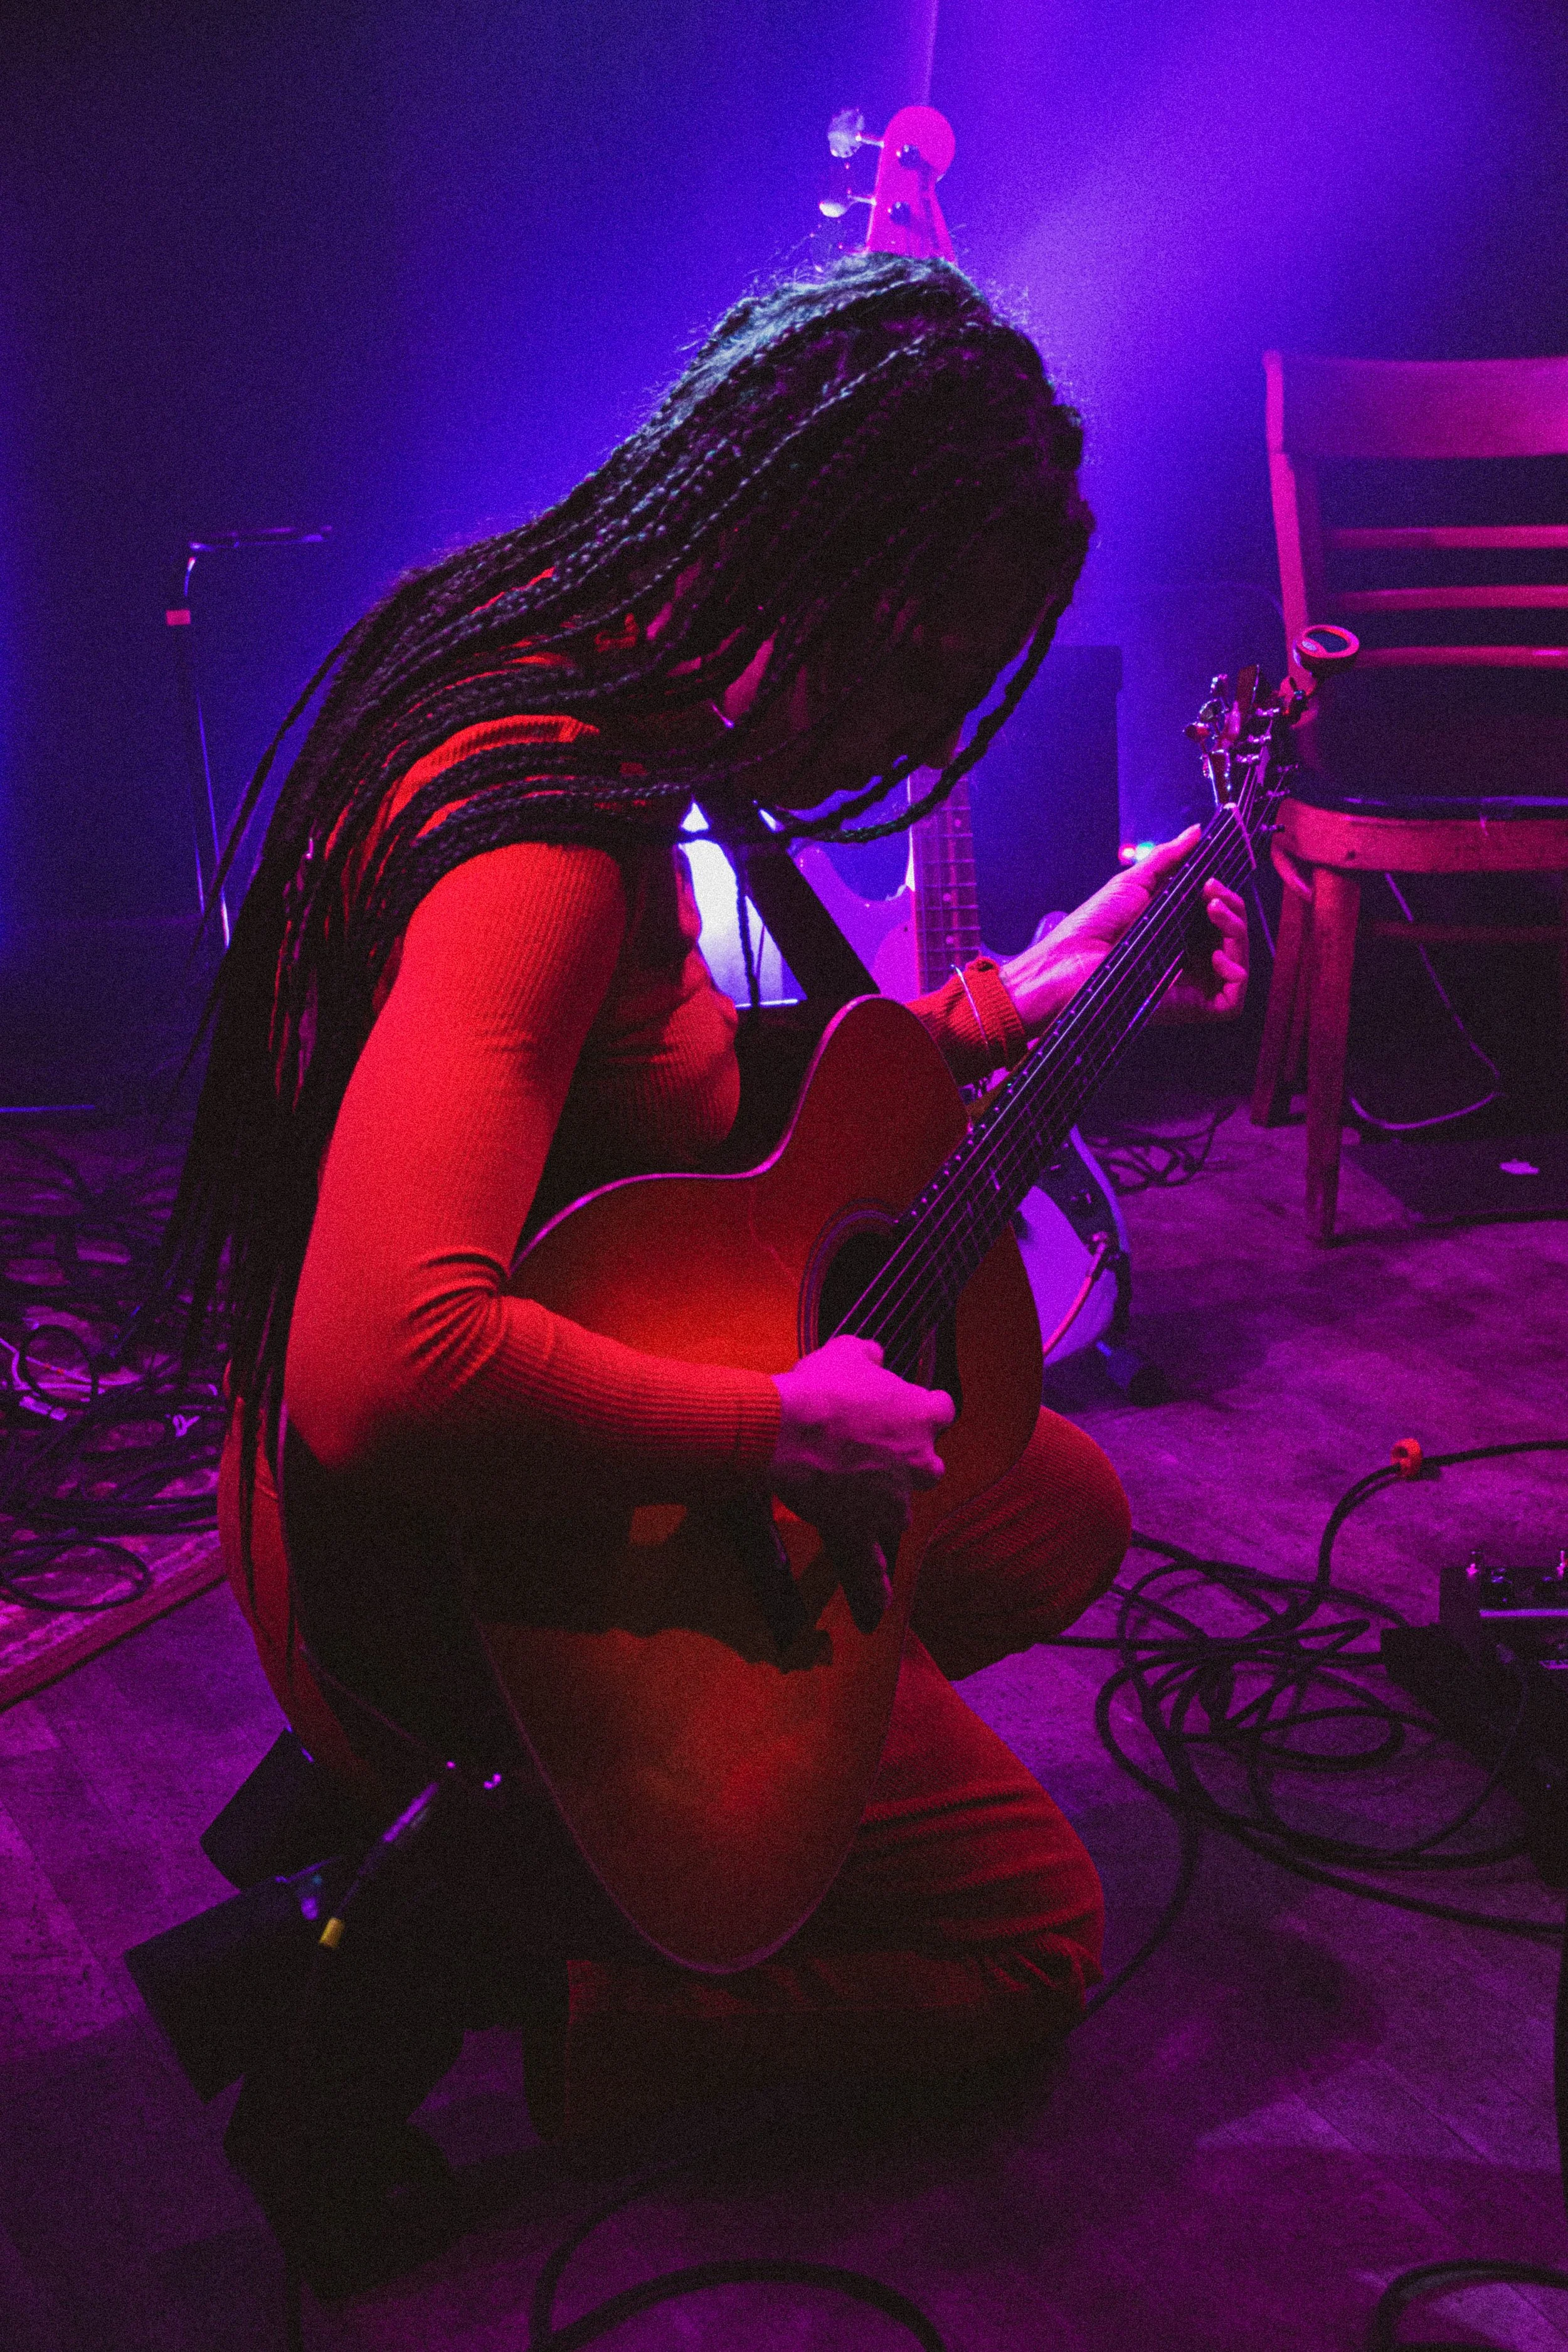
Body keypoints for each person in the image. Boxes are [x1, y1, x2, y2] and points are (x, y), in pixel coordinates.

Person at [169, 252, 1247, 2258]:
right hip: (427, 1568)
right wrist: (769, 1426)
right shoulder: (548, 842)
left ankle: (629, 1808)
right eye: (924, 673)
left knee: (1047, 1493)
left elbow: (698, 1131)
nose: (912, 735)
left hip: (528, 1493)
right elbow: (375, 1362)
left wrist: (1034, 989)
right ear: (833, 585)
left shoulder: (575, 648)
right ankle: (494, 1951)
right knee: (1030, 1938)